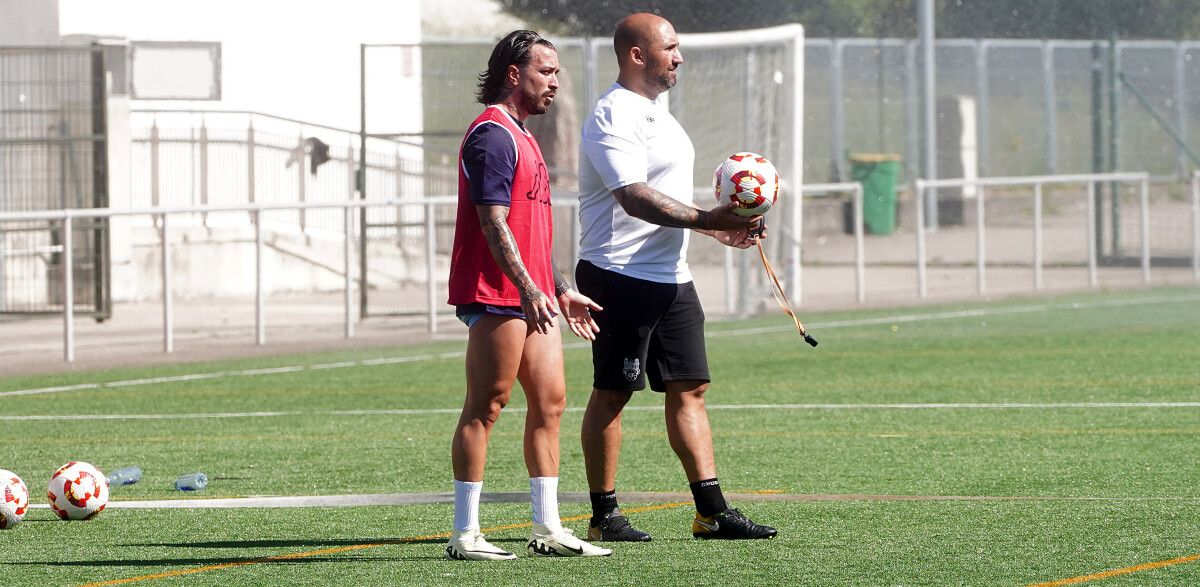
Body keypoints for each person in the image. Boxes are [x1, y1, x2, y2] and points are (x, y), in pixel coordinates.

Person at [576, 13, 779, 542]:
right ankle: (603, 516)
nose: (680, 55)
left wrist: (715, 231)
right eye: (669, 47)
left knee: (691, 388)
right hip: (617, 275)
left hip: (671, 276)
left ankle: (711, 512)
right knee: (613, 392)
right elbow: (633, 196)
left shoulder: (659, 111)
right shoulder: (612, 114)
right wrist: (710, 219)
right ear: (637, 55)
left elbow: (665, 194)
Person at [445, 29, 611, 561]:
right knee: (487, 406)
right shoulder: (492, 135)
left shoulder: (524, 133)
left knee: (551, 403)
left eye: (558, 73)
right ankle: (465, 533)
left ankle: (547, 526)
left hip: (532, 295)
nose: (555, 83)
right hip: (499, 293)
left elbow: (530, 229)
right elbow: (494, 224)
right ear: (514, 75)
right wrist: (526, 287)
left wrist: (561, 288)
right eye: (547, 72)